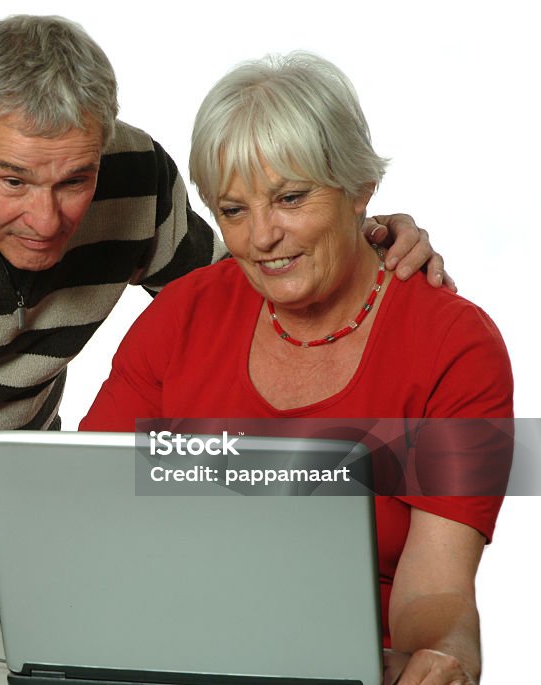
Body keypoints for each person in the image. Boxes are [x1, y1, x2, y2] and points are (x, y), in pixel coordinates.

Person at [0, 17, 444, 666]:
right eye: (13, 179)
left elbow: (246, 291)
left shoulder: (137, 179)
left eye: (75, 180)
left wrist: (361, 236)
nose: (46, 219)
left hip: (24, 485)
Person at [80, 52, 512, 685]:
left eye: (290, 198)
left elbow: (436, 594)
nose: (261, 237)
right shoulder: (182, 314)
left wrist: (439, 656)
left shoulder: (457, 346)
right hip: (172, 647)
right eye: (233, 210)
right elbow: (86, 507)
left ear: (360, 187)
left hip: (350, 665)